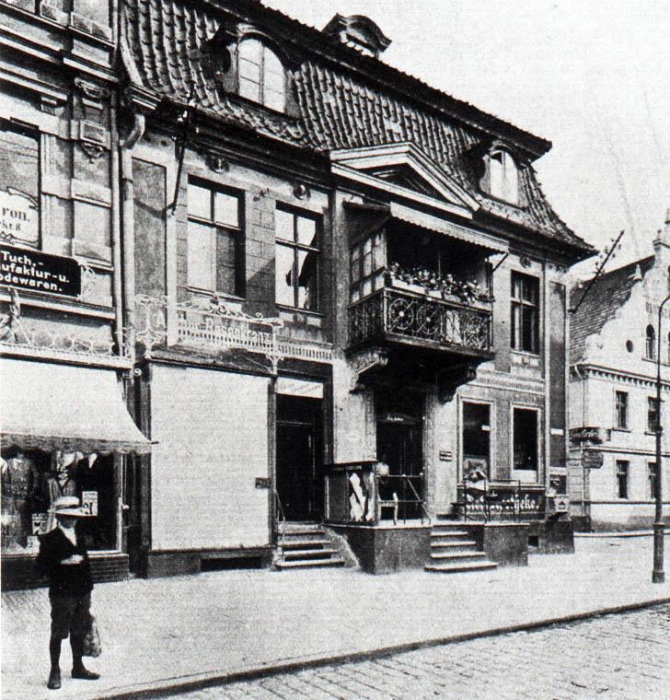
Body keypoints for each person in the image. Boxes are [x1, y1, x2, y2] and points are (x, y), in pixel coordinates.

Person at [36, 496, 100, 690]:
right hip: (62, 594)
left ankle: (78, 666)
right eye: (68, 516)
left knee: (79, 629)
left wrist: (89, 589)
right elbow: (40, 568)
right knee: (59, 631)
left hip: (82, 592)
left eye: (75, 516)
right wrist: (63, 562)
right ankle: (55, 671)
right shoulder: (50, 539)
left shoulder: (79, 536)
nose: (72, 520)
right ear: (59, 517)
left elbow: (86, 563)